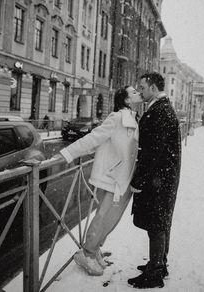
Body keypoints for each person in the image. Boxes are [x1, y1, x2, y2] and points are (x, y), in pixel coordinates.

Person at [58, 86, 142, 276]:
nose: (138, 93)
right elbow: (93, 139)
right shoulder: (118, 118)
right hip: (113, 177)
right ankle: (86, 253)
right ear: (127, 101)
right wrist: (67, 153)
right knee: (104, 216)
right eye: (134, 92)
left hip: (124, 178)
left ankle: (94, 249)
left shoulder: (133, 119)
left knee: (112, 219)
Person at [127, 72, 181, 289]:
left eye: (142, 87)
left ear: (152, 87)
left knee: (156, 224)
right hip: (164, 176)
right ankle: (159, 264)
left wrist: (138, 181)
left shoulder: (160, 111)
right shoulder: (161, 108)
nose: (140, 91)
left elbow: (151, 152)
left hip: (159, 178)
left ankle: (154, 274)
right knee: (161, 221)